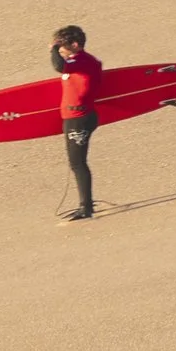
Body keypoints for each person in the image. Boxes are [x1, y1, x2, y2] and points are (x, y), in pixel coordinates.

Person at [51, 24, 102, 220]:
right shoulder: (80, 60)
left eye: (63, 45)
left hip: (78, 120)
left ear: (75, 45)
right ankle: (86, 205)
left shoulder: (83, 61)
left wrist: (53, 48)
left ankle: (86, 207)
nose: (60, 49)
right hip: (75, 118)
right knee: (77, 163)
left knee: (78, 163)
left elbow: (58, 66)